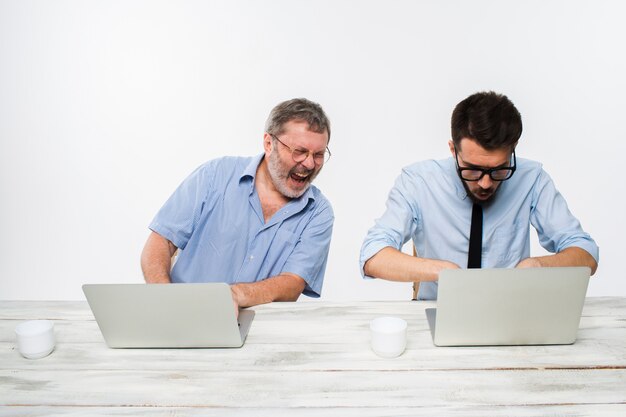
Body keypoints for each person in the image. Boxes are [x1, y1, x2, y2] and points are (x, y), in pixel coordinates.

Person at [360, 91, 598, 300]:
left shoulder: (532, 179)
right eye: (473, 169)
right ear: (453, 150)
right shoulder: (418, 181)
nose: (486, 183)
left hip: (511, 314)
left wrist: (537, 266)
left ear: (512, 149)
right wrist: (441, 272)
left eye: (498, 169)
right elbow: (373, 256)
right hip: (440, 309)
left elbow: (586, 254)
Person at [141, 98, 334, 310]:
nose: (309, 163)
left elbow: (293, 283)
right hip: (182, 317)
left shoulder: (319, 212)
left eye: (318, 155)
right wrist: (165, 300)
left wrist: (233, 296)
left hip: (261, 333)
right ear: (269, 144)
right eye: (300, 151)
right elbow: (161, 241)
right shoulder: (215, 175)